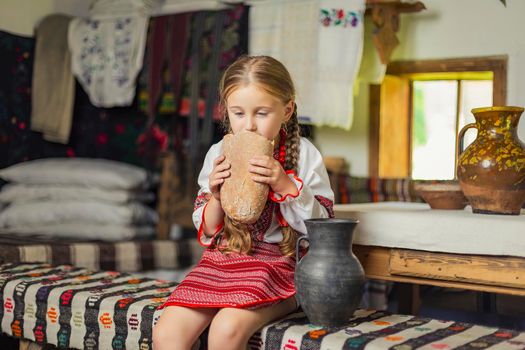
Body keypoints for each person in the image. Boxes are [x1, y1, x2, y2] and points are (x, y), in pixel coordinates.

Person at [153, 55, 335, 350]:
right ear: (225, 112)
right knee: (167, 333)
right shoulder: (218, 153)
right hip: (223, 261)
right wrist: (216, 196)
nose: (248, 126)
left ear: (287, 110)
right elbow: (209, 230)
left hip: (279, 267)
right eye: (238, 113)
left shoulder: (305, 155)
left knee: (225, 331)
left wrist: (285, 185)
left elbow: (323, 227)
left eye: (262, 113)